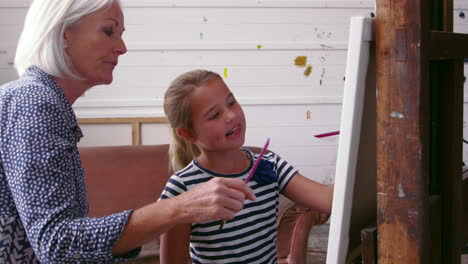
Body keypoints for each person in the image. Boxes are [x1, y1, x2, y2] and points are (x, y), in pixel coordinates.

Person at [0, 1, 255, 263]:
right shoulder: (34, 102)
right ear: (65, 33)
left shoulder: (39, 102)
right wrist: (182, 206)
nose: (122, 48)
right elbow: (58, 245)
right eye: (109, 31)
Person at [159, 69, 334, 264]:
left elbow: (328, 199)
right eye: (214, 115)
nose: (231, 115)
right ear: (189, 134)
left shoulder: (270, 166)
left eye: (231, 102)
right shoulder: (181, 189)